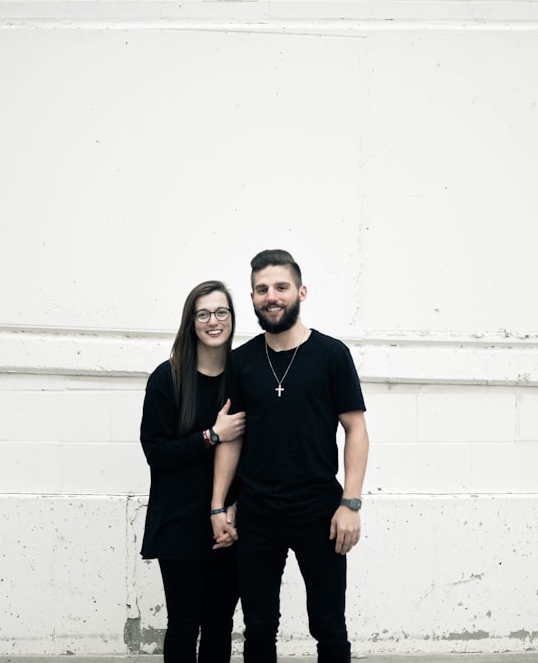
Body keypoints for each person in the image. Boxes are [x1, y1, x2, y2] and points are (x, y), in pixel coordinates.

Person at [211, 249, 370, 663]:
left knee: (329, 625)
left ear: (301, 291)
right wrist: (218, 506)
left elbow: (356, 429)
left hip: (320, 510)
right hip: (257, 512)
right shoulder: (241, 360)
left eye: (281, 287)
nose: (272, 296)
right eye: (262, 289)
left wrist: (350, 503)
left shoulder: (332, 355)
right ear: (252, 298)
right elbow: (232, 438)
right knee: (259, 627)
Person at [139, 280, 246, 663]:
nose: (213, 321)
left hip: (230, 526)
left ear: (233, 318)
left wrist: (236, 510)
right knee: (184, 625)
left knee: (220, 625)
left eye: (221, 312)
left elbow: (262, 453)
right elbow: (157, 453)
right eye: (203, 314)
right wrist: (211, 435)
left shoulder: (244, 377)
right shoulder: (167, 379)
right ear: (191, 322)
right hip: (180, 523)